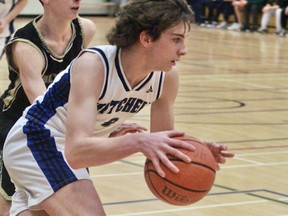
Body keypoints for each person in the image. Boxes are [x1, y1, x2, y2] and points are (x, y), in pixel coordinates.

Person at [3, 0, 235, 215]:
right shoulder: (94, 64)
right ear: (146, 38)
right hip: (36, 139)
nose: (183, 50)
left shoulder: (167, 79)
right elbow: (76, 153)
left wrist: (194, 150)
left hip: (64, 146)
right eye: (176, 39)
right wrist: (136, 142)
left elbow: (161, 143)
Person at [0, 0, 97, 215]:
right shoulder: (26, 45)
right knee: (10, 200)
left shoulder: (85, 29)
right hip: (17, 122)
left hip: (61, 122)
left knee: (65, 197)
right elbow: (41, 106)